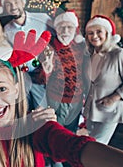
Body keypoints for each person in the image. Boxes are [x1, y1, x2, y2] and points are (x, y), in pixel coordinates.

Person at [83, 15, 123, 145]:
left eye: (99, 32)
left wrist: (113, 98)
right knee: (90, 142)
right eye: (90, 33)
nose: (95, 36)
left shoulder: (119, 54)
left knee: (97, 145)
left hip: (110, 110)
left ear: (107, 33)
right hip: (92, 109)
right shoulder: (91, 54)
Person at [41, 10, 88, 167]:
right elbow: (40, 76)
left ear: (75, 29)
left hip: (76, 98)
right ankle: (53, 162)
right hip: (55, 98)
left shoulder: (81, 47)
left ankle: (66, 160)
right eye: (62, 27)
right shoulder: (49, 48)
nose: (66, 31)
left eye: (69, 27)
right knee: (56, 133)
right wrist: (45, 69)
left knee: (71, 131)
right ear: (56, 29)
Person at [0, 0, 53, 110]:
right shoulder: (7, 30)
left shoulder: (43, 19)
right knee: (24, 107)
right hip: (22, 74)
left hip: (41, 72)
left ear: (23, 2)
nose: (13, 6)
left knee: (42, 107)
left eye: (16, 1)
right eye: (8, 4)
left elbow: (56, 41)